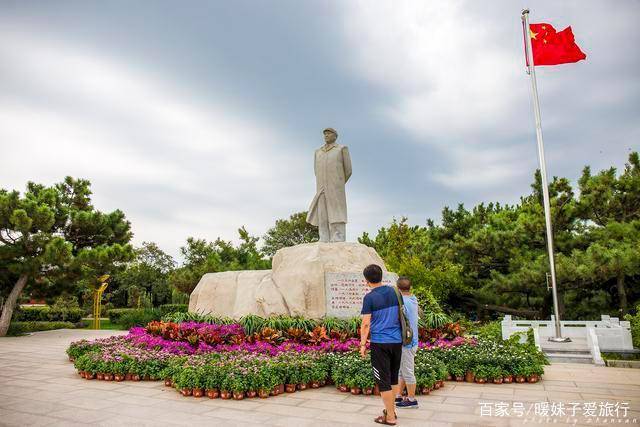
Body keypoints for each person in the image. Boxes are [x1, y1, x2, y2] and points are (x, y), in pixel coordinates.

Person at [360, 264, 402, 426]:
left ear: (366, 280)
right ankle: (392, 410)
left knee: (383, 381)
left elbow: (365, 324)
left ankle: (390, 417)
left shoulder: (369, 298)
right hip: (396, 341)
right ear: (381, 276)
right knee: (393, 377)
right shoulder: (394, 292)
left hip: (380, 343)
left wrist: (363, 344)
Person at [395, 277, 420, 409]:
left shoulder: (402, 302)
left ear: (398, 288)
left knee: (408, 371)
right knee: (402, 370)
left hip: (407, 342)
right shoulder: (413, 299)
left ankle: (411, 399)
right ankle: (398, 395)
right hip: (412, 340)